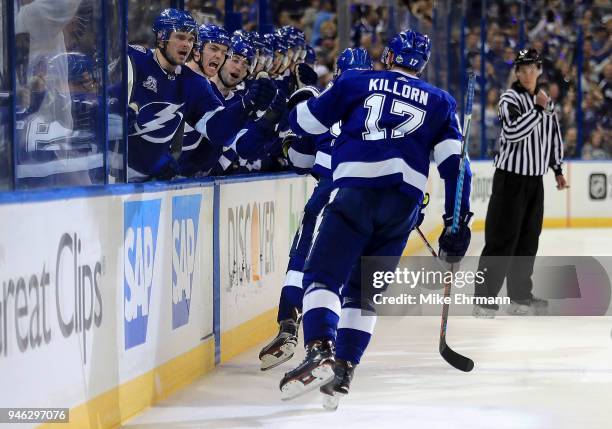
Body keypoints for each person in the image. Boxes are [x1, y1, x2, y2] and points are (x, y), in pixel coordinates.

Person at [279, 30, 473, 400]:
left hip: (355, 193)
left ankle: (320, 349)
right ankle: (346, 366)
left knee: (322, 276)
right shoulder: (441, 102)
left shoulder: (357, 82)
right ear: (423, 65)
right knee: (363, 293)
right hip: (402, 208)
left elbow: (304, 123)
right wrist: (455, 223)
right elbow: (456, 168)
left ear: (387, 56)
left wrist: (301, 94)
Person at [258, 48, 374, 371]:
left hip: (326, 194)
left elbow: (300, 160)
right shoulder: (381, 109)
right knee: (346, 278)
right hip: (367, 199)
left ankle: (292, 327)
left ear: (338, 75)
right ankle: (339, 345)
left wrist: (289, 143)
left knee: (303, 260)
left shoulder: (327, 103)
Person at [473, 48, 568, 319]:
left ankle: (520, 296)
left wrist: (557, 168)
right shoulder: (509, 98)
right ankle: (483, 300)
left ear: (539, 70)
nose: (527, 74)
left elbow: (553, 136)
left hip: (534, 181)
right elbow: (513, 132)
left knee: (528, 241)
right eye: (522, 69)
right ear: (516, 72)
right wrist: (538, 109)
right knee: (501, 239)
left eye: (532, 69)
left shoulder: (545, 100)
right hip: (510, 179)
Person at [127, 8, 275, 181]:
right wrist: (113, 113)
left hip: (146, 184)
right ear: (161, 37)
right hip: (101, 173)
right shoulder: (134, 58)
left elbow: (218, 132)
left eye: (191, 39)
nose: (186, 44)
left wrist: (247, 105)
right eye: (180, 37)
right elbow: (94, 92)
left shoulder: (195, 84)